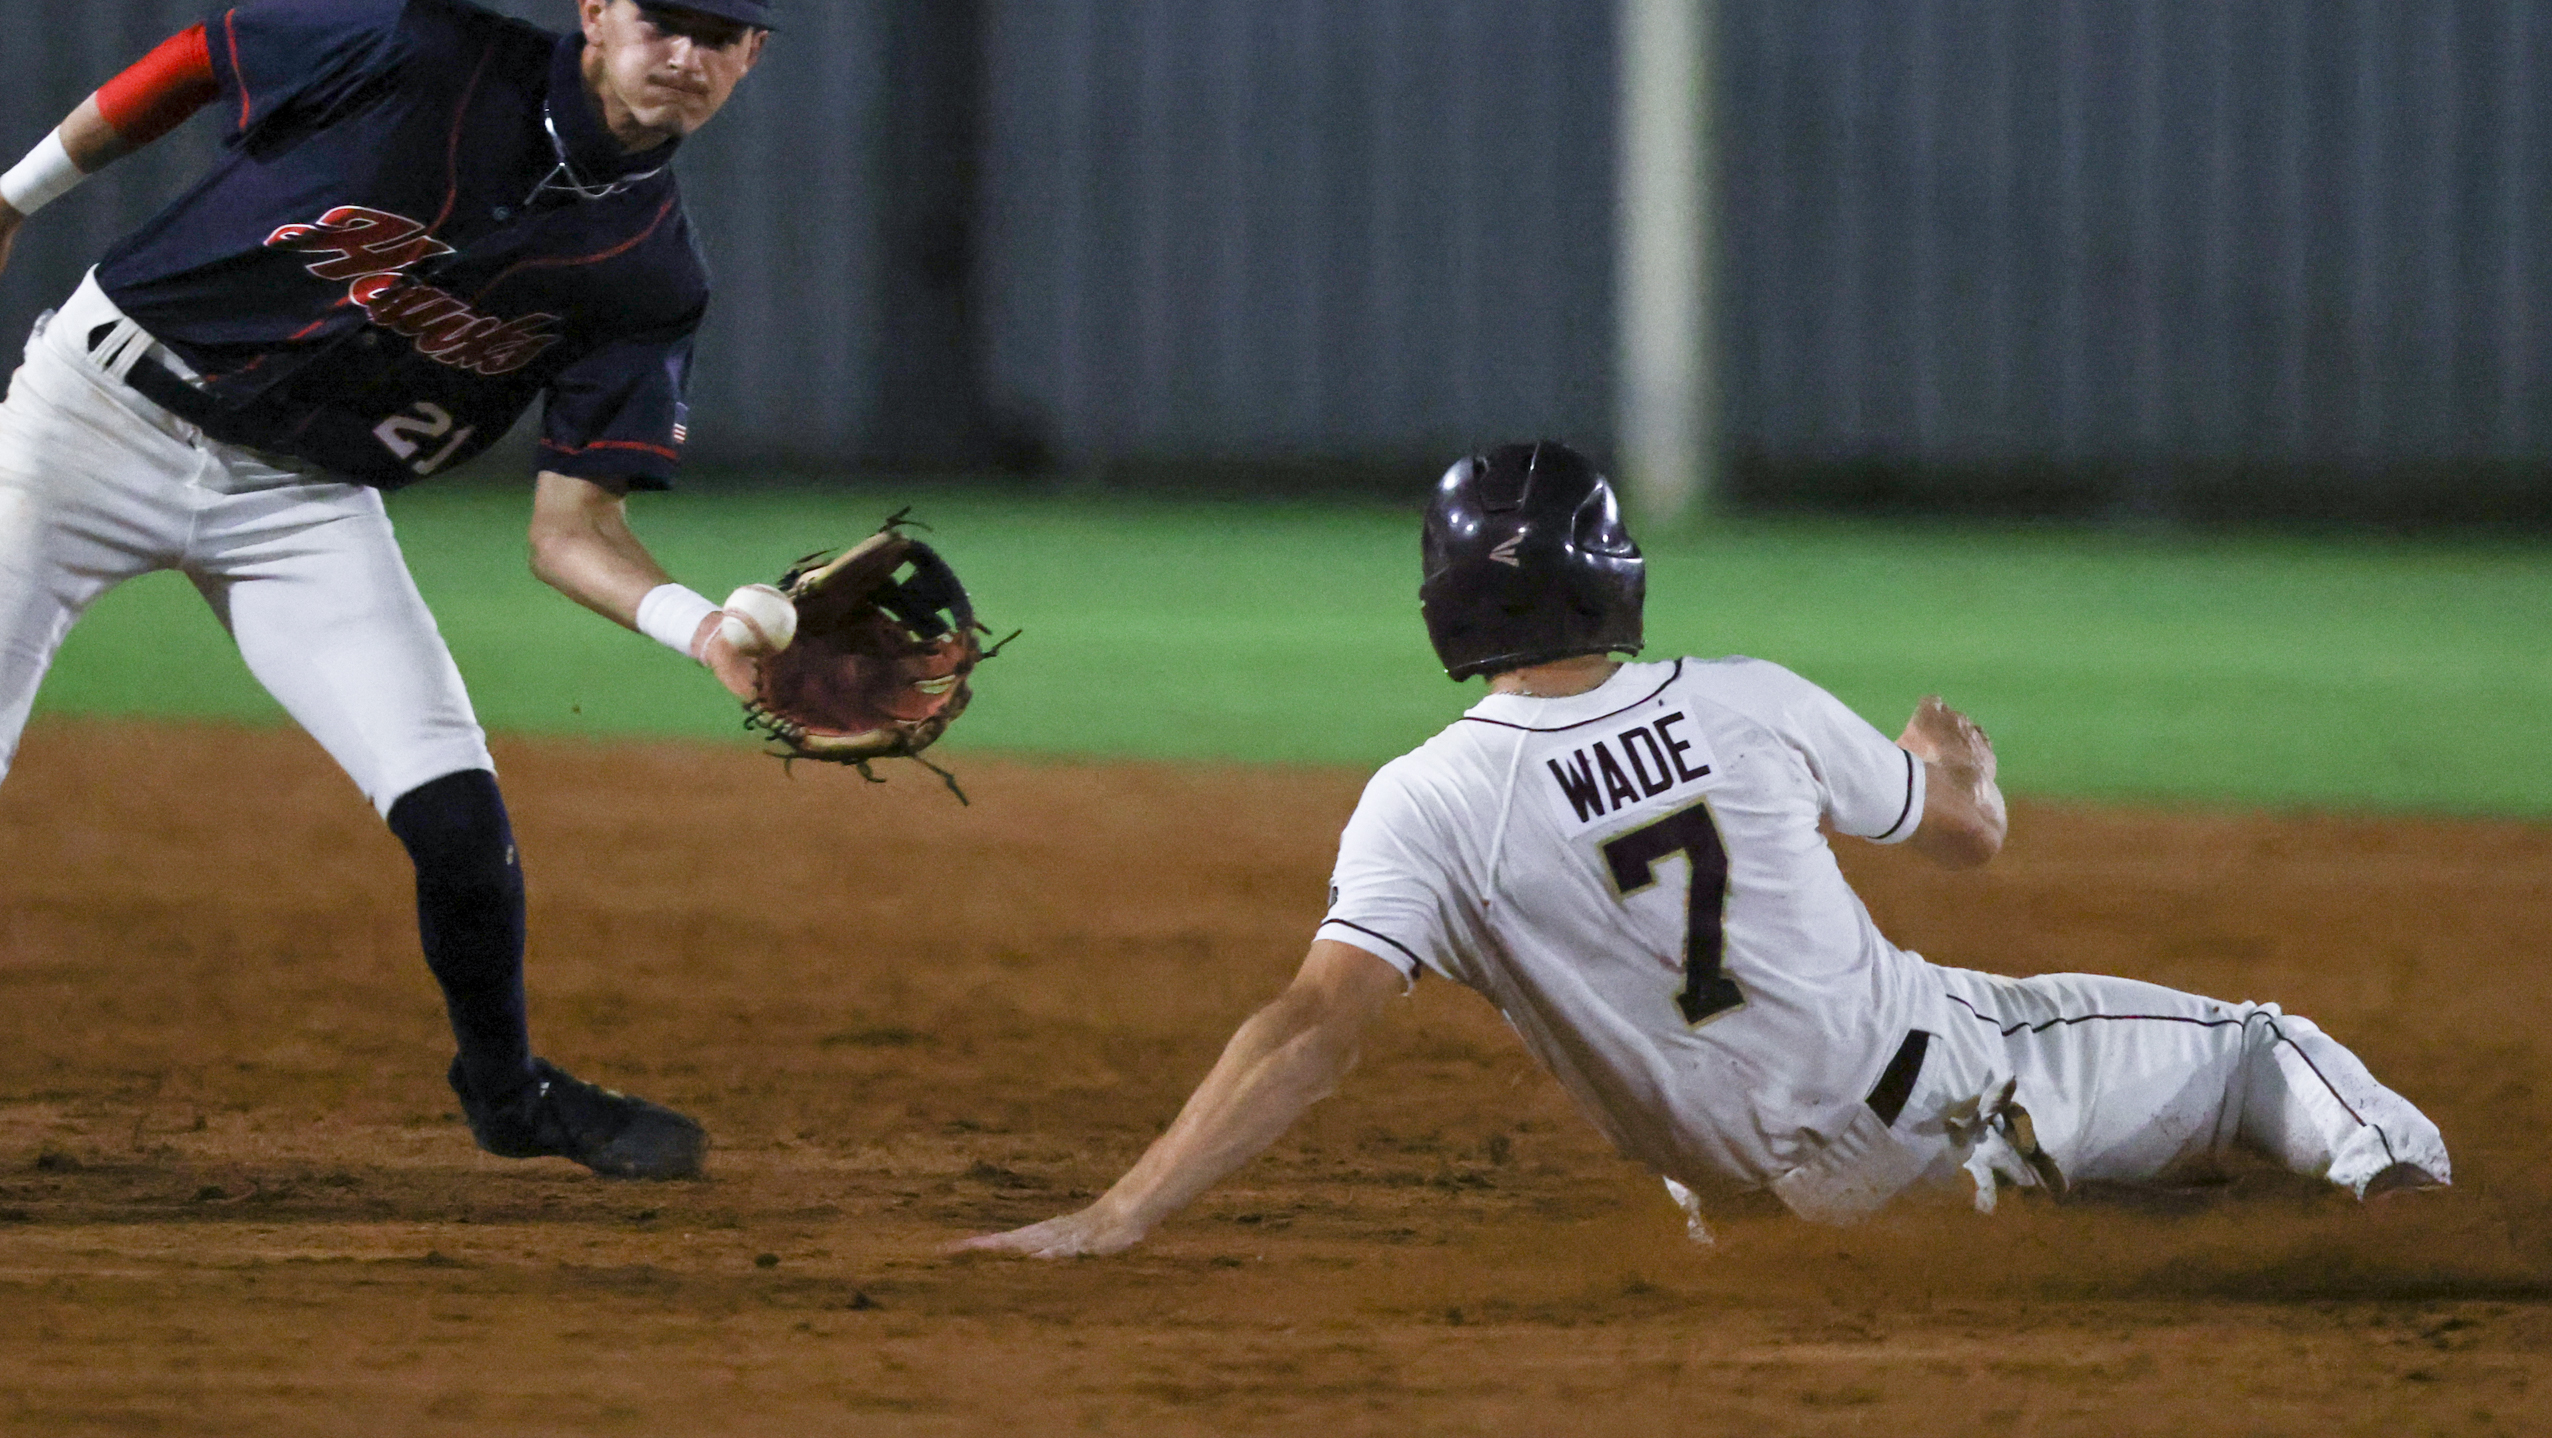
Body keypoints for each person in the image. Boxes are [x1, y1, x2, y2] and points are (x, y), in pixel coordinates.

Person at [0, 0, 796, 1180]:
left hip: (298, 499)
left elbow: (571, 529)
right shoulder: (418, 47)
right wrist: (10, 200)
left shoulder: (650, 272)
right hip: (93, 422)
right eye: (659, 16)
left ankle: (508, 1094)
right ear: (593, 11)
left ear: (753, 56)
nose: (683, 52)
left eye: (718, 31)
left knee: (459, 820)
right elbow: (200, 59)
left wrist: (702, 630)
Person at [961, 441, 2450, 1255]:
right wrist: (1958, 768)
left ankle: (2112, 1214)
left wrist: (1118, 1213)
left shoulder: (1422, 801)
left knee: (2112, 1203)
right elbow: (1969, 839)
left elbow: (1312, 1027)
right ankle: (2408, 1216)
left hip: (1771, 1224)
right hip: (1946, 1094)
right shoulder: (1745, 701)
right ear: (1612, 575)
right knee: (2262, 1049)